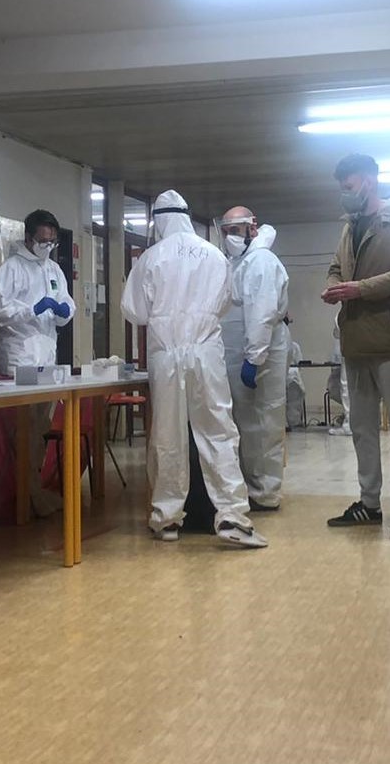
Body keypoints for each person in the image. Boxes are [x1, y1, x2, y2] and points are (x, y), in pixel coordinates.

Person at [122, 190, 267, 548]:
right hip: (206, 353)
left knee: (167, 436)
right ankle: (233, 515)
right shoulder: (215, 255)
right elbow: (224, 304)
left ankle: (166, 517)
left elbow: (134, 311)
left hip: (167, 354)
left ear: (159, 221)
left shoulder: (151, 257)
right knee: (219, 432)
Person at [322, 153, 390, 536]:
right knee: (362, 429)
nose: (344, 194)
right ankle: (369, 504)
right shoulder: (349, 227)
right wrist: (335, 286)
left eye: (348, 186)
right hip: (355, 342)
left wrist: (361, 289)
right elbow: (336, 267)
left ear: (368, 181)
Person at [0, 208, 73, 516]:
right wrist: (31, 309)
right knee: (22, 430)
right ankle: (25, 498)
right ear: (28, 237)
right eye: (42, 240)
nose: (47, 246)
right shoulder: (11, 268)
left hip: (46, 356)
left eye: (52, 241)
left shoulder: (54, 269)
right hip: (19, 355)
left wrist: (64, 311)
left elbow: (66, 302)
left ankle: (32, 493)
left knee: (39, 429)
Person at [217, 206, 290, 511]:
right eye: (226, 231)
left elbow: (262, 313)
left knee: (264, 423)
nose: (230, 237)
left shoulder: (261, 261)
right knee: (247, 424)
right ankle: (252, 487)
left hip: (261, 355)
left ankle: (265, 492)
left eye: (236, 230)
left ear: (252, 227)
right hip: (241, 352)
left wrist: (254, 357)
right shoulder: (238, 262)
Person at [327, 318, 352, 436]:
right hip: (361, 350)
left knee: (346, 388)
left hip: (351, 349)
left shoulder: (343, 315)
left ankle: (349, 424)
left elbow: (337, 331)